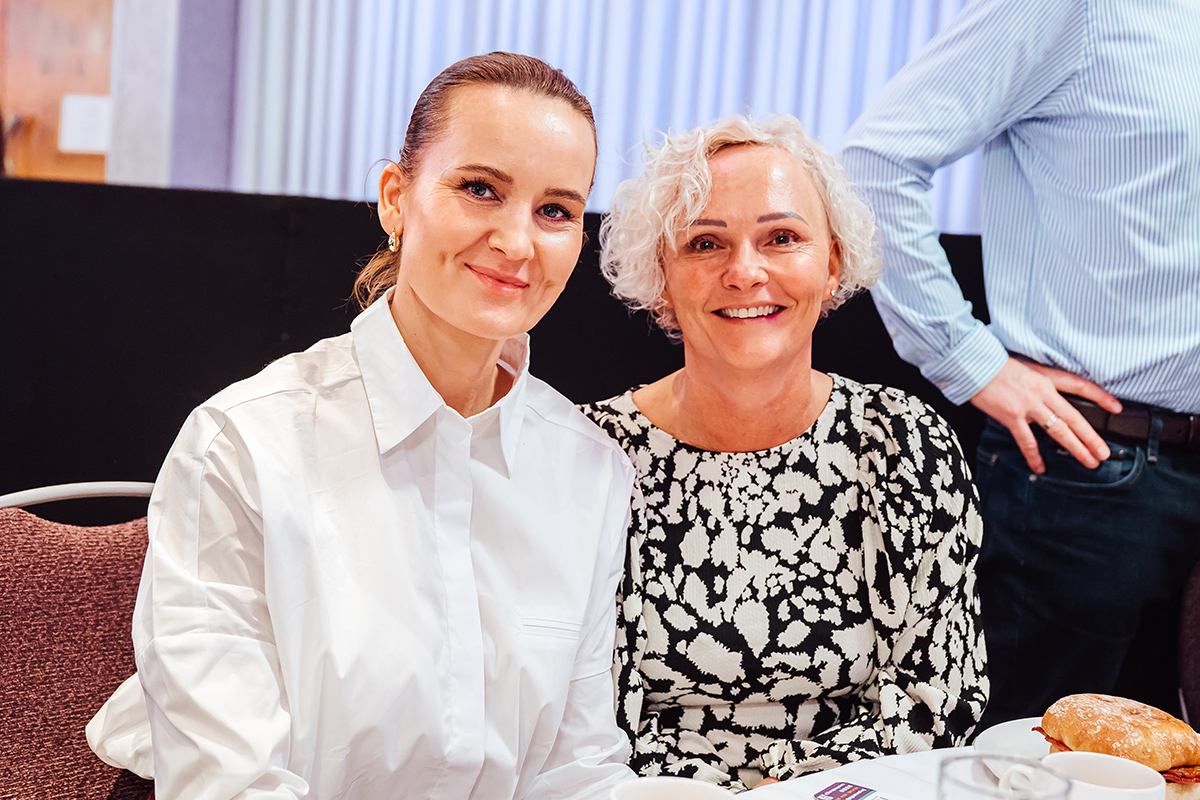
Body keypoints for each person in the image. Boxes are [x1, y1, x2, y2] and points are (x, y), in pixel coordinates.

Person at [86, 52, 636, 799]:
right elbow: (230, 784)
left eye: (556, 211)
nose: (517, 242)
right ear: (395, 199)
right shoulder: (242, 446)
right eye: (480, 188)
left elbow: (576, 774)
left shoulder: (589, 471)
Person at [582, 113, 988, 791]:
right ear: (661, 276)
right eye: (705, 243)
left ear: (832, 263)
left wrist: (789, 791)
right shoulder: (591, 455)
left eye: (781, 238)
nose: (745, 272)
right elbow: (581, 722)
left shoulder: (905, 444)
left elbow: (938, 702)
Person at [837, 0, 1200, 727]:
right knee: (1023, 758)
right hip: (1089, 470)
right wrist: (971, 361)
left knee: (1167, 767)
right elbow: (875, 162)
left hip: (1179, 471)